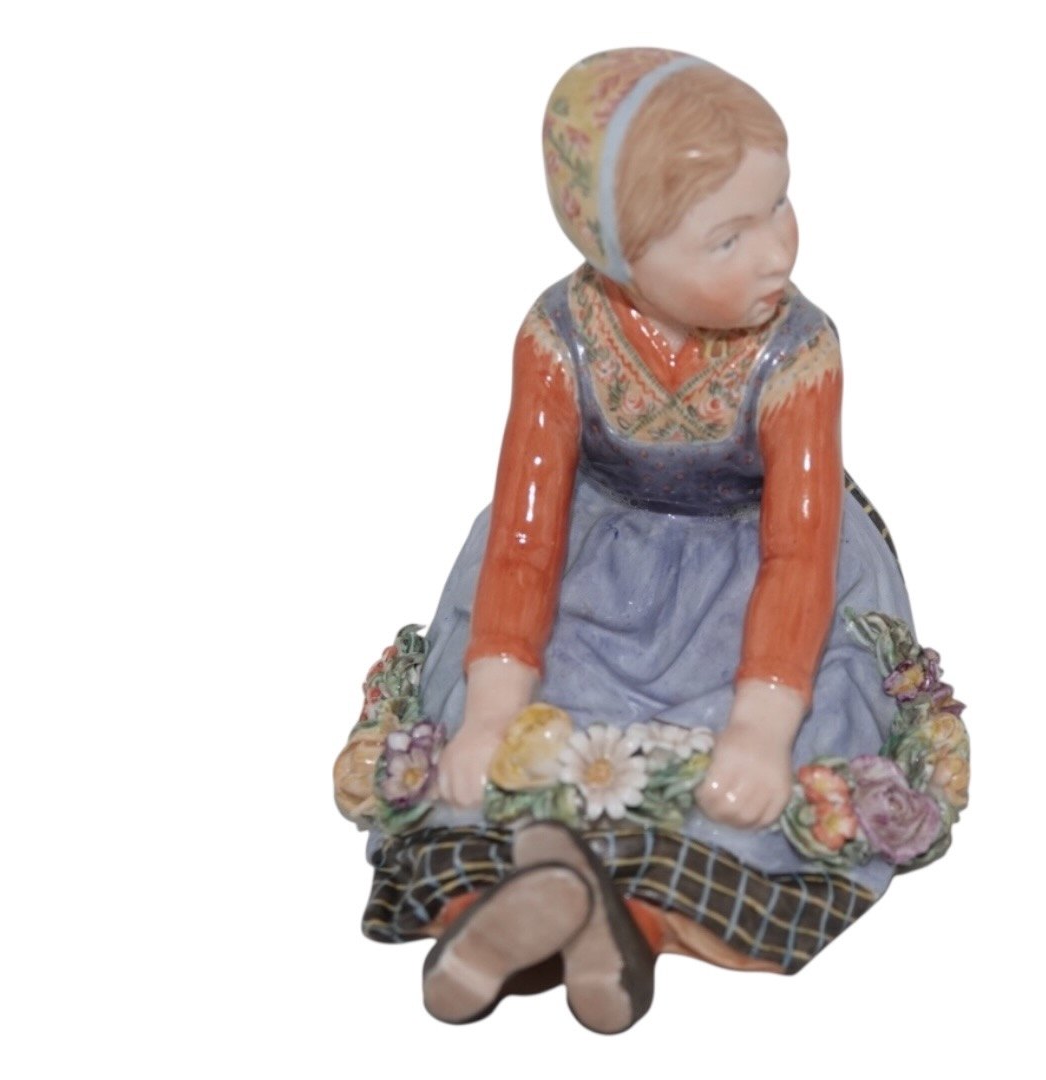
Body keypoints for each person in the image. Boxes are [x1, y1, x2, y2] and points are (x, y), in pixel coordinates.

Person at [334, 47, 968, 1034]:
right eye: (728, 237)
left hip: (759, 589)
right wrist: (492, 708)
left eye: (779, 205)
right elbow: (525, 532)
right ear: (623, 254)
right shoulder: (561, 336)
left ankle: (609, 917)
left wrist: (762, 729)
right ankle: (515, 906)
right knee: (512, 744)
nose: (777, 252)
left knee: (748, 774)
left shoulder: (799, 349)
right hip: (593, 574)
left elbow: (800, 551)